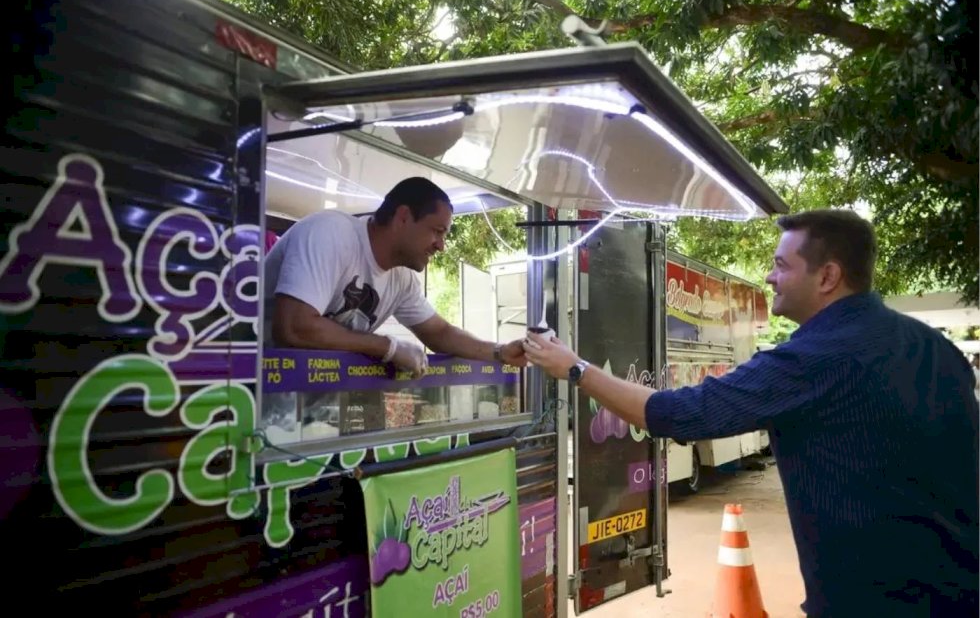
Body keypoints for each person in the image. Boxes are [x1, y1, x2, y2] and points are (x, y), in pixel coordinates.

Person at [525, 209, 979, 617]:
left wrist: (575, 368)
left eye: (781, 265)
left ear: (828, 276)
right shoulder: (934, 347)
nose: (768, 277)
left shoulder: (812, 359)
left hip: (874, 601)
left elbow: (678, 413)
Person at [264, 176, 528, 376]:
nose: (441, 246)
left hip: (305, 396)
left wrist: (500, 352)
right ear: (403, 217)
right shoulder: (330, 234)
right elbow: (294, 327)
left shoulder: (402, 278)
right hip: (252, 386)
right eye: (437, 231)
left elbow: (439, 332)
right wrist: (387, 347)